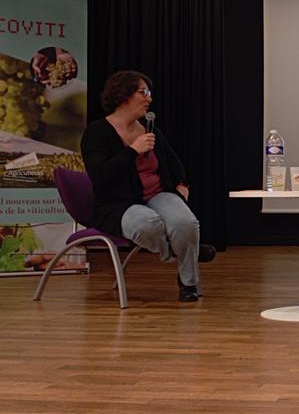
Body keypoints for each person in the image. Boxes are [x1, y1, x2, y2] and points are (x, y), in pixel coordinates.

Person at [81, 71, 216, 303]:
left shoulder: (148, 127)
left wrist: (182, 183)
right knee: (147, 225)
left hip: (157, 193)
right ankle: (178, 250)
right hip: (117, 203)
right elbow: (101, 177)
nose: (149, 98)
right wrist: (132, 151)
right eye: (143, 93)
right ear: (123, 96)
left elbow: (172, 161)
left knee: (186, 223)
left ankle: (188, 282)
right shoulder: (96, 133)